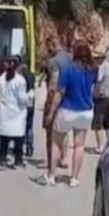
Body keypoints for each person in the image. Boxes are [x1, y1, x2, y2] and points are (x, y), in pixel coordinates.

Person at [42, 43, 97, 187]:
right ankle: (74, 178)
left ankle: (51, 175)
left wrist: (51, 112)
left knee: (56, 143)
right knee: (80, 145)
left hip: (67, 109)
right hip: (85, 111)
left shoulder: (68, 68)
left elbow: (60, 92)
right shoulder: (93, 70)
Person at [0, 58, 30, 169]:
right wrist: (29, 96)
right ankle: (18, 161)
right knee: (19, 138)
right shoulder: (20, 80)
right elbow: (22, 99)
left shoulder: (1, 79)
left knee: (4, 138)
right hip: (17, 112)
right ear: (18, 66)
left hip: (4, 111)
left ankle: (2, 161)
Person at [43, 38, 72, 171]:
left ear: (52, 45)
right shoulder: (70, 58)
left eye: (48, 47)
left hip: (56, 98)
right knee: (64, 130)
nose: (47, 50)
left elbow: (53, 83)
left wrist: (49, 104)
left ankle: (52, 162)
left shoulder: (53, 61)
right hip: (68, 98)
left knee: (51, 132)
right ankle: (64, 158)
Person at [13, 54, 36, 157]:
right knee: (29, 126)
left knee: (19, 126)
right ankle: (29, 147)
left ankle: (18, 147)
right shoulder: (32, 75)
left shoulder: (18, 75)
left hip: (21, 103)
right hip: (30, 102)